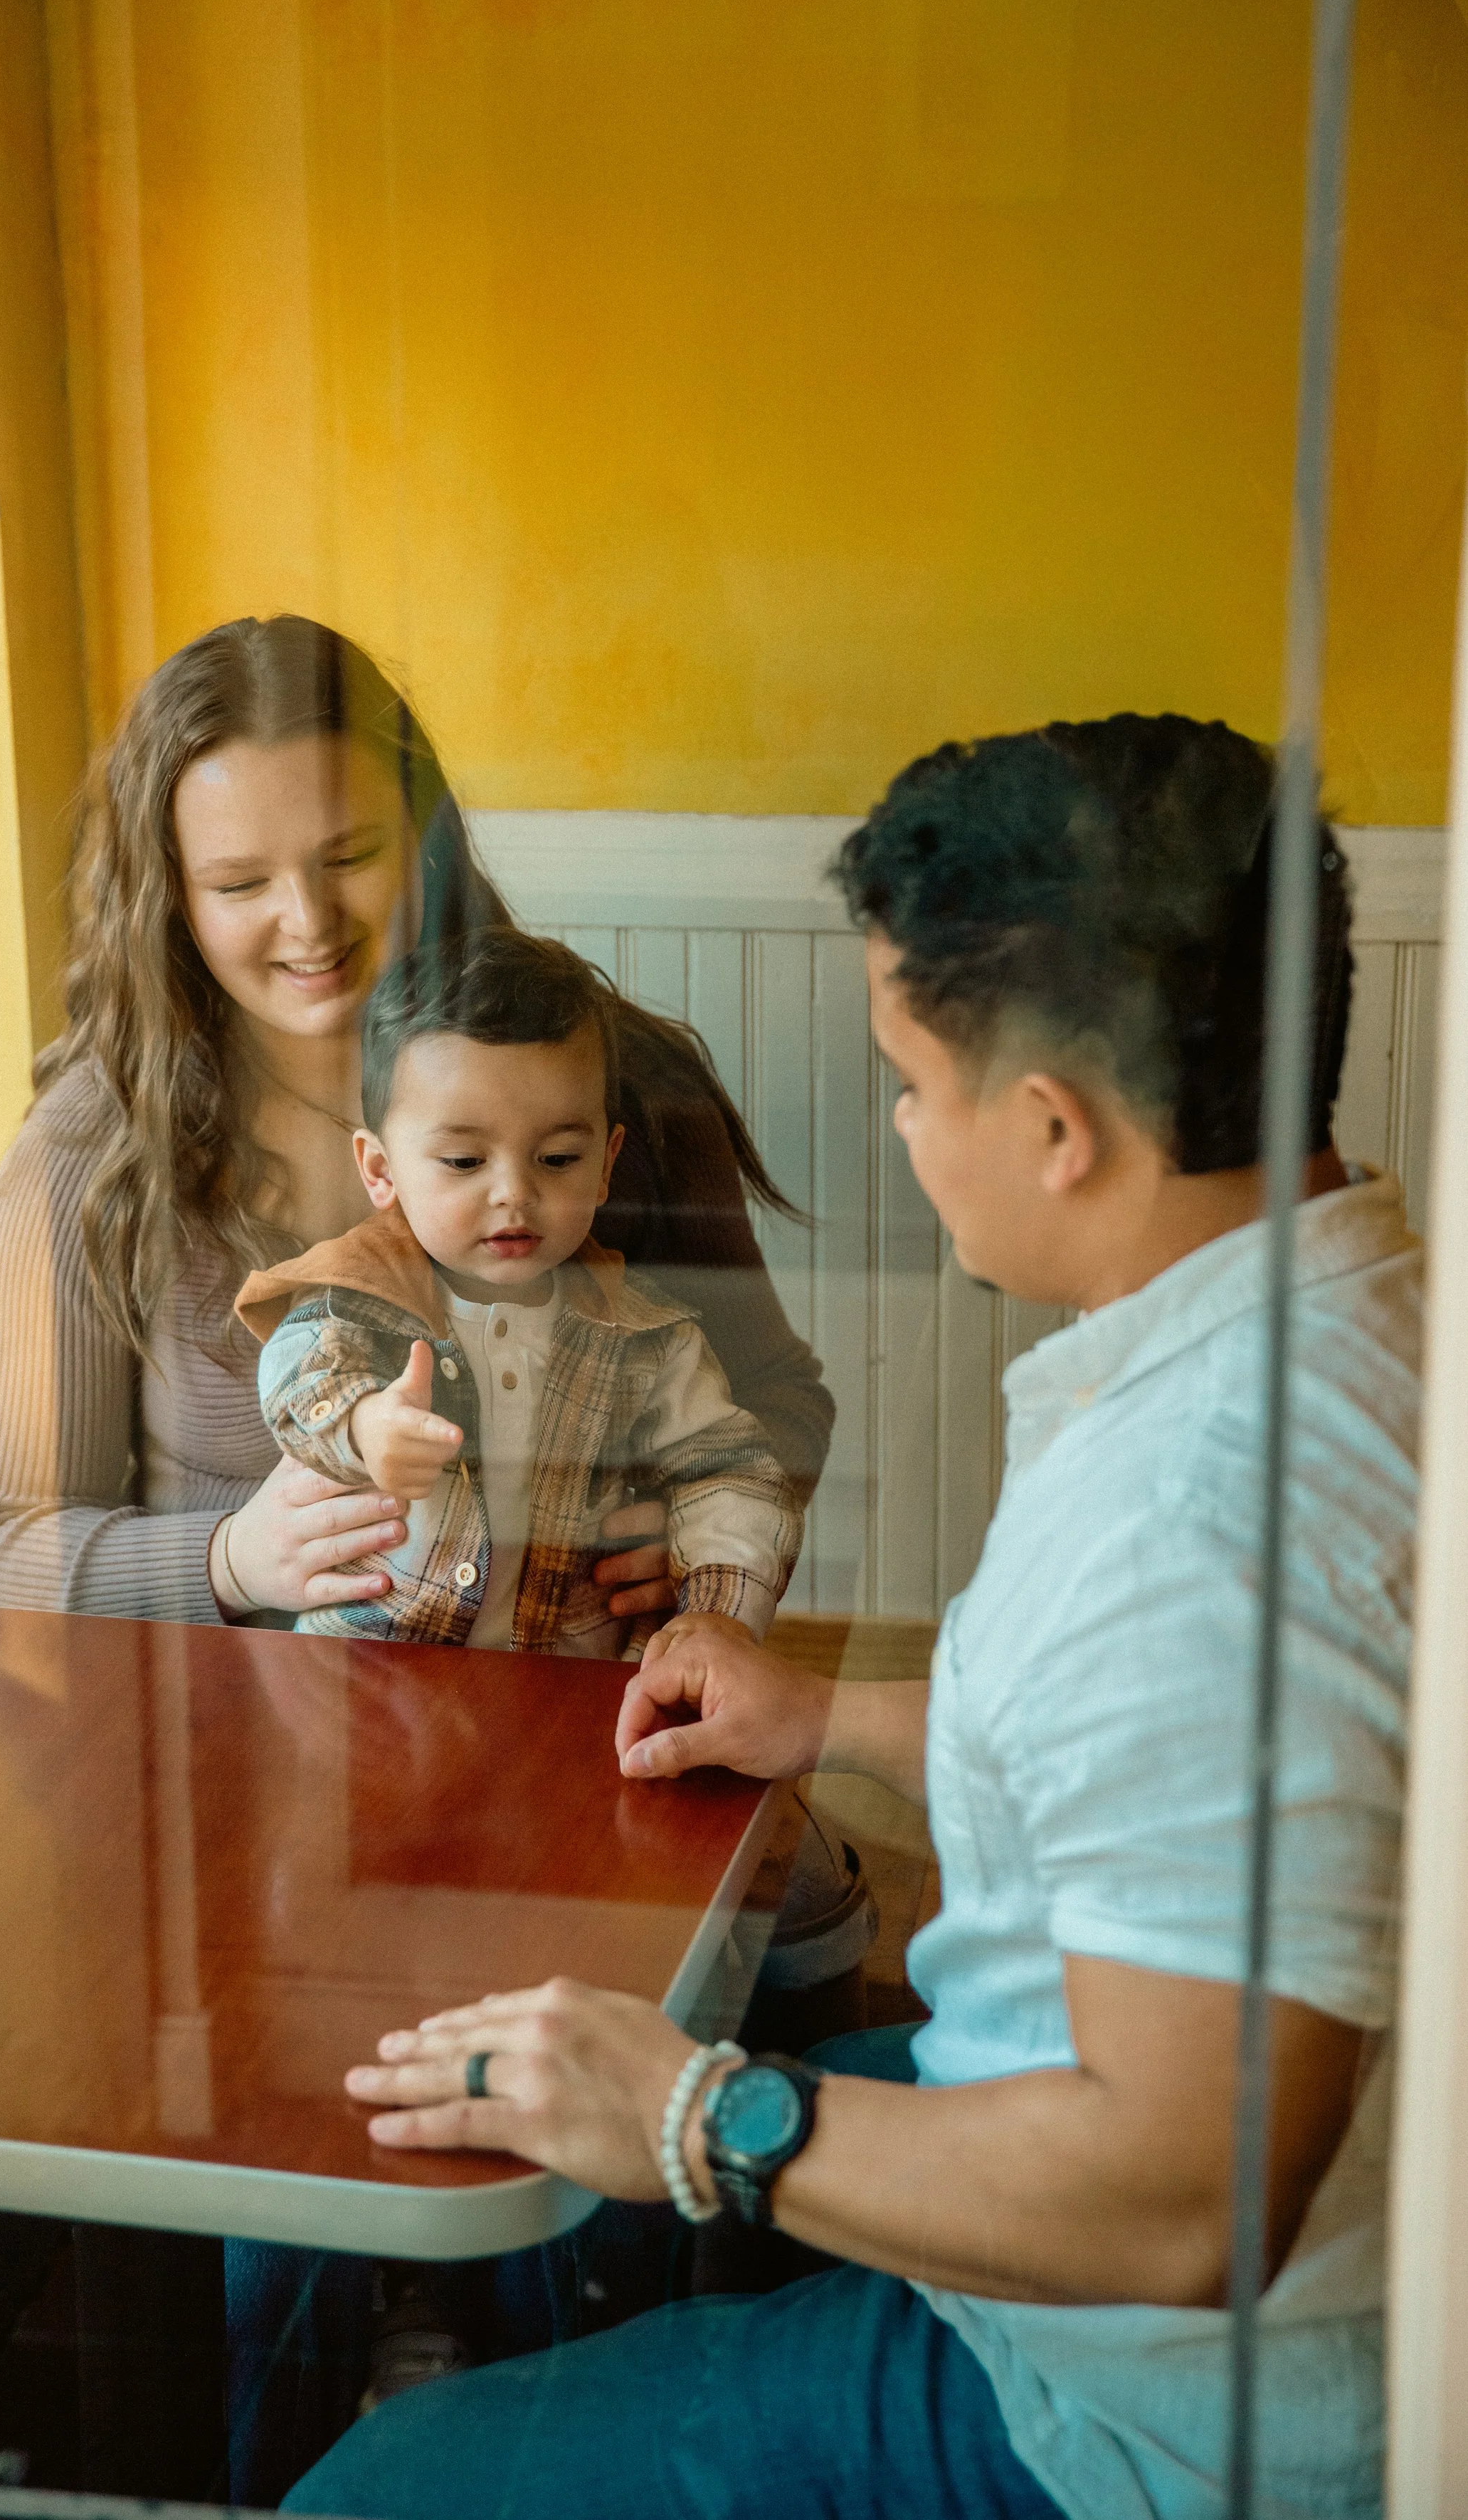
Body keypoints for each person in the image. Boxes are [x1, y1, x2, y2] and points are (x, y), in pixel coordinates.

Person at [289, 714, 1412, 2520]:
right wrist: (839, 1719)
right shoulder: (1357, 1302)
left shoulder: (1199, 1505)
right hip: (1204, 2193)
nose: (898, 1127)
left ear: (1052, 1127)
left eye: (907, 1078)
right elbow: (1206, 1763)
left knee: (373, 2495)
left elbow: (1187, 2194)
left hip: (1136, 2415)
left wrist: (709, 2114)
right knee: (583, 2188)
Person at [0, 613, 833, 1633]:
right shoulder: (96, 1144)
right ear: (171, 900)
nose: (310, 920)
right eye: (240, 884)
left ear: (425, 839)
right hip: (237, 1744)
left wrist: (690, 1529)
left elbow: (782, 1404)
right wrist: (233, 1556)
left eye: (350, 855)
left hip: (565, 1718)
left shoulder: (622, 1084)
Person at [236, 927, 801, 1652]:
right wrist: (364, 1426)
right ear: (379, 1169)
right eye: (465, 1160)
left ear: (606, 1162)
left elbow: (731, 1471)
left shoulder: (646, 1336)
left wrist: (716, 1613)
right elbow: (298, 1374)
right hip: (372, 1679)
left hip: (571, 1681)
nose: (514, 1193)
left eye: (558, 1158)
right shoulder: (359, 1296)